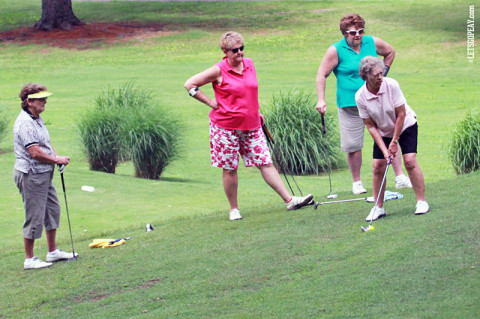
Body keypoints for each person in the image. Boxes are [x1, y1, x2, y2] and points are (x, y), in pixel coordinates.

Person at [184, 31, 313, 221]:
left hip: (252, 125)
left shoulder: (250, 65)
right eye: (235, 50)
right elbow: (190, 85)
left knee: (265, 162)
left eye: (242, 48)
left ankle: (290, 200)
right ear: (225, 51)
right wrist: (210, 102)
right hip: (225, 127)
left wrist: (255, 110)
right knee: (229, 168)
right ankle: (234, 209)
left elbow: (249, 91)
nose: (240, 53)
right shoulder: (218, 70)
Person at [315, 13, 412, 195]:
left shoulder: (371, 42)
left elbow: (390, 52)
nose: (357, 35)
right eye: (352, 32)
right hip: (350, 104)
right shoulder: (336, 50)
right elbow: (321, 74)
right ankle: (357, 182)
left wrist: (382, 74)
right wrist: (321, 99)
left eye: (360, 31)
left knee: (389, 137)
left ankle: (400, 177)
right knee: (353, 145)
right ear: (345, 33)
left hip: (377, 101)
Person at [355, 56, 429, 221]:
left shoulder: (391, 85)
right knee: (377, 167)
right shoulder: (360, 97)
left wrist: (394, 142)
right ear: (366, 76)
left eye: (382, 73)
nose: (380, 77)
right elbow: (370, 126)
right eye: (376, 75)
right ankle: (378, 207)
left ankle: (421, 202)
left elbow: (401, 114)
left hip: (405, 124)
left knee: (409, 161)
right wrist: (384, 149)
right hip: (382, 130)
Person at [13, 83, 78, 269]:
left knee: (52, 210)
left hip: (43, 174)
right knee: (34, 215)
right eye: (41, 99)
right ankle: (29, 259)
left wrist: (55, 157)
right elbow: (35, 152)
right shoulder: (25, 123)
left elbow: (45, 146)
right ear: (29, 101)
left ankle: (52, 252)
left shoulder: (37, 118)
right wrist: (55, 160)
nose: (45, 102)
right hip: (31, 175)